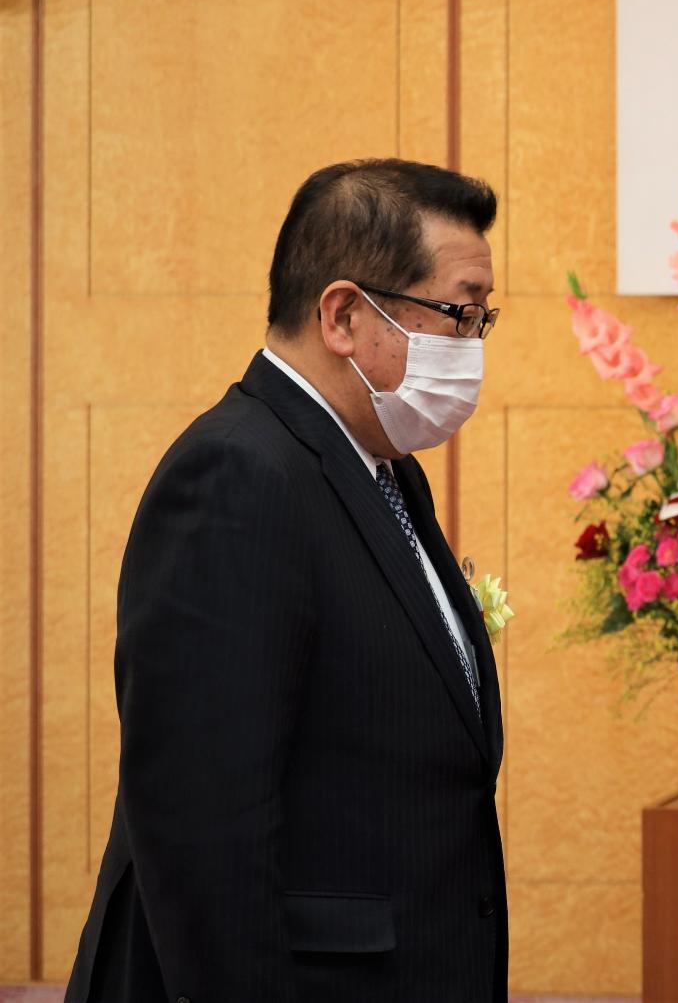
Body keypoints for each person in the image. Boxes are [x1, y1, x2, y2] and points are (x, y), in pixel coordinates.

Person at [66, 160, 508, 1003]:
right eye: (459, 313)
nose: (472, 345)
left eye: (483, 317)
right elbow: (204, 835)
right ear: (344, 314)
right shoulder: (237, 475)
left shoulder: (379, 469)